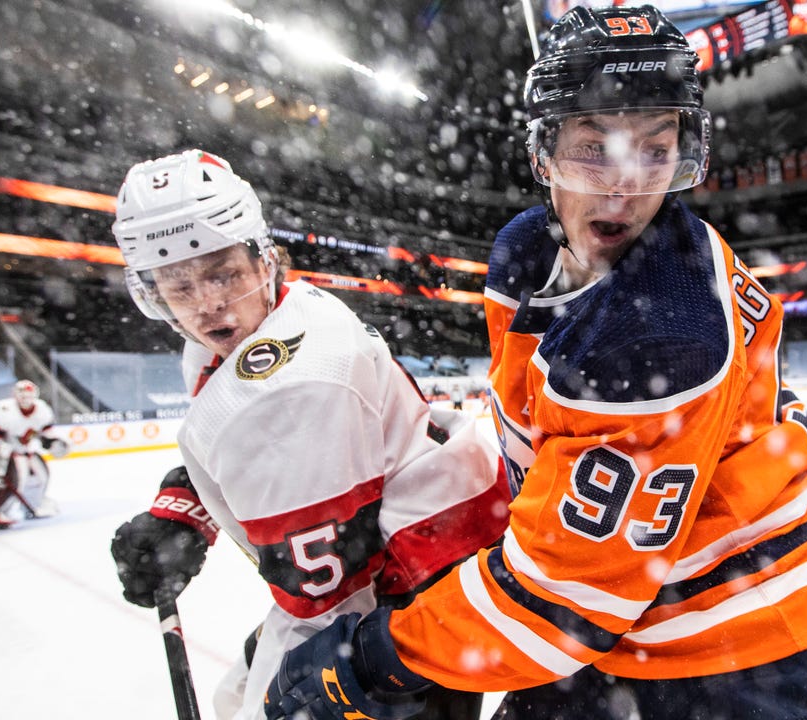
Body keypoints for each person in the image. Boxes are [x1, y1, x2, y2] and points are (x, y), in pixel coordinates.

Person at [265, 7, 807, 720]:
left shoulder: (660, 330)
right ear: (545, 151)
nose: (625, 186)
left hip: (759, 651)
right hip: (609, 632)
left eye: (655, 148)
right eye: (594, 147)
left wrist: (379, 657)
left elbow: (560, 600)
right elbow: (543, 461)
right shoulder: (526, 252)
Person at [105, 149, 510, 720]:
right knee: (234, 698)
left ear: (262, 260)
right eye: (180, 286)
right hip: (418, 550)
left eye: (223, 273)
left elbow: (328, 606)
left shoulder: (290, 388)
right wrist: (183, 511)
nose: (208, 305)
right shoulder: (256, 328)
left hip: (418, 590)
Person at [0, 379, 67, 529]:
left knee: (41, 477)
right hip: (9, 453)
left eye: (29, 396)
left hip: (28, 451)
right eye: (22, 395)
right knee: (16, 482)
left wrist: (53, 442)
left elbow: (46, 432)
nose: (26, 399)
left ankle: (32, 506)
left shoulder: (41, 409)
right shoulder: (3, 409)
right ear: (15, 395)